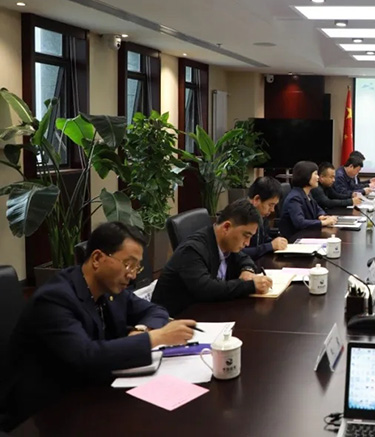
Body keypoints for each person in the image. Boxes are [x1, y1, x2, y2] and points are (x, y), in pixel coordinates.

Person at [0, 222, 196, 430]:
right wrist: (154, 338)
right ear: (97, 259)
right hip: (42, 413)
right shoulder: (54, 298)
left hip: (92, 392)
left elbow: (155, 311)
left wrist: (140, 331)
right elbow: (86, 356)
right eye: (128, 264)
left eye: (136, 267)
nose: (132, 275)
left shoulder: (110, 289)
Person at [152, 199, 273, 316]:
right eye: (246, 236)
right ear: (226, 227)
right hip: (175, 319)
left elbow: (244, 258)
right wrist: (250, 286)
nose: (247, 243)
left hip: (208, 311)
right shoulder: (191, 250)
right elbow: (207, 289)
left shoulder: (226, 244)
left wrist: (247, 270)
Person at [279, 161, 338, 238]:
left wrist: (321, 215)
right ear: (306, 176)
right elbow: (300, 223)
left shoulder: (307, 193)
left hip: (307, 235)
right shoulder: (295, 198)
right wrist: (323, 222)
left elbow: (318, 208)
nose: (318, 177)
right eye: (315, 174)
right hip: (295, 239)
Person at [241, 176, 288, 258]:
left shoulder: (261, 215)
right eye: (270, 205)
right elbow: (238, 253)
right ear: (257, 199)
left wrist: (277, 242)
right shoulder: (240, 216)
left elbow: (264, 239)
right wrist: (269, 246)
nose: (272, 210)